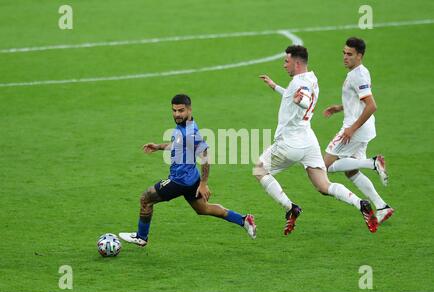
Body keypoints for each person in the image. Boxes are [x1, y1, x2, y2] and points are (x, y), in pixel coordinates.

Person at [255, 45, 378, 234]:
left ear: (296, 63)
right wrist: (275, 87)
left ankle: (290, 208)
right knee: (323, 185)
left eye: (286, 61)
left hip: (290, 142)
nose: (284, 65)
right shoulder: (311, 78)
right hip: (308, 141)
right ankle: (359, 203)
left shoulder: (299, 85)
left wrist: (300, 102)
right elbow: (295, 94)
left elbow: (302, 98)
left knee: (259, 169)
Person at [119, 94, 256, 246]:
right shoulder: (183, 127)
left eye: (181, 110)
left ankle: (141, 237)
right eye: (174, 110)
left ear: (189, 110)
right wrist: (158, 146)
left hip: (180, 181)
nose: (177, 114)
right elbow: (177, 145)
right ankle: (243, 220)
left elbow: (205, 156)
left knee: (146, 199)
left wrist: (204, 183)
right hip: (191, 179)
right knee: (203, 209)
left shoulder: (190, 133)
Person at [323, 37, 394, 224]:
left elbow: (372, 106)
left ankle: (372, 163)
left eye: (350, 54)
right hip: (364, 128)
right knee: (351, 172)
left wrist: (351, 129)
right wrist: (339, 108)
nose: (345, 57)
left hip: (355, 129)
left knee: (325, 166)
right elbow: (359, 102)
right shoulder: (360, 72)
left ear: (360, 56)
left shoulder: (357, 76)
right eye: (344, 53)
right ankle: (381, 207)